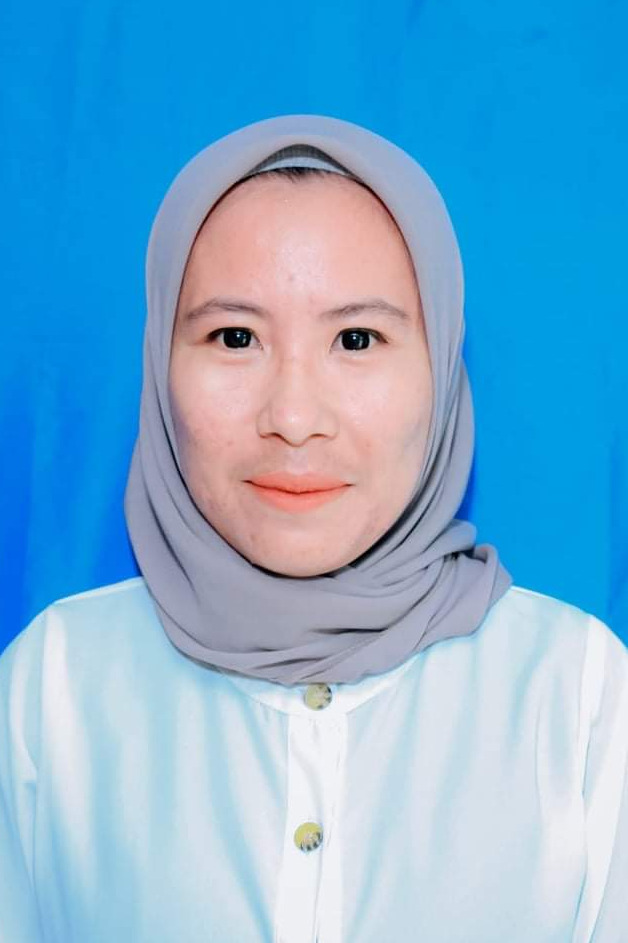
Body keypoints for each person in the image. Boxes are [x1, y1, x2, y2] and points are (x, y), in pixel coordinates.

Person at [0, 115, 626, 943]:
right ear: (160, 363)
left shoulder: (578, 695)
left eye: (356, 338)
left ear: (441, 369)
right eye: (235, 337)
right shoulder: (53, 688)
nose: (294, 417)